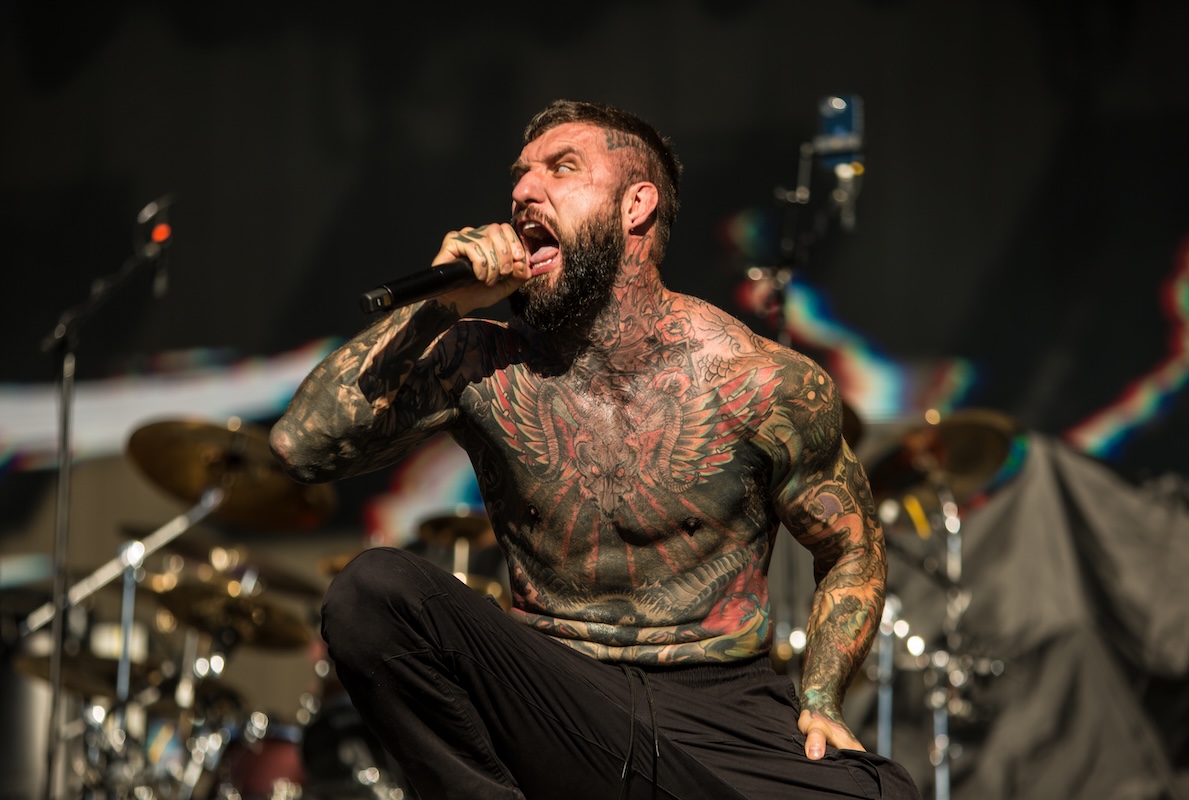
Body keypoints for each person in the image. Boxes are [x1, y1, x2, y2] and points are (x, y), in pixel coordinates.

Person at [270, 99, 919, 800]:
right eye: (520, 176)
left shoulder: (759, 381)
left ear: (635, 205)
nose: (524, 192)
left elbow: (852, 547)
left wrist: (820, 699)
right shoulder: (481, 365)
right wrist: (439, 304)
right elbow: (300, 448)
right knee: (371, 592)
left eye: (562, 168)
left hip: (719, 709)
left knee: (884, 794)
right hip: (553, 695)